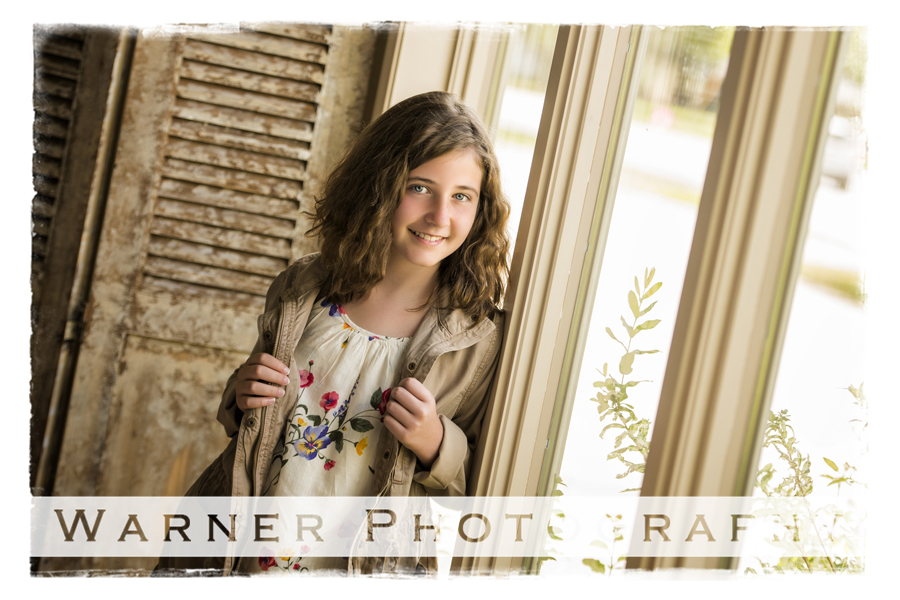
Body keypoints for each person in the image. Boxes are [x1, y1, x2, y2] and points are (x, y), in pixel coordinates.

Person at [155, 91, 510, 577]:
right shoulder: (304, 289)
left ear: (481, 208)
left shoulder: (475, 339)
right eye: (421, 188)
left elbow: (473, 486)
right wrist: (241, 391)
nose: (440, 216)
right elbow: (245, 419)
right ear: (379, 187)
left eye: (462, 197)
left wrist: (435, 442)